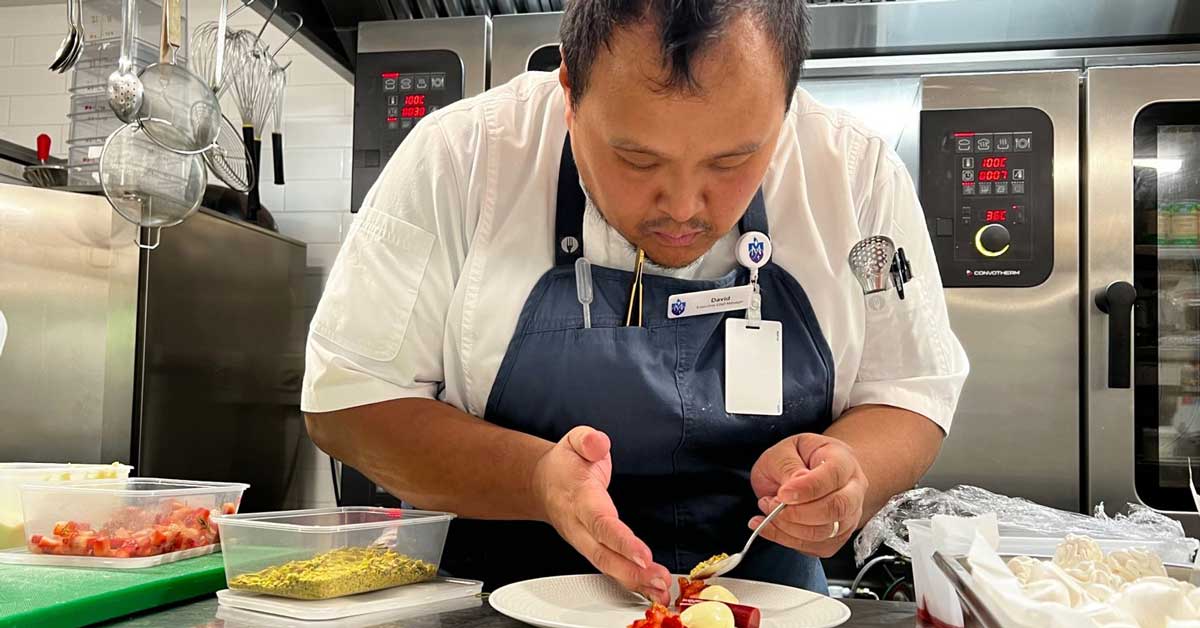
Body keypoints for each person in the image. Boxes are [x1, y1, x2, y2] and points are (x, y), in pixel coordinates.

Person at [302, 0, 968, 604]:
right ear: (569, 90)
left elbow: (909, 388)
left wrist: (848, 476)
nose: (682, 207)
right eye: (636, 160)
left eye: (732, 161)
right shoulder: (461, 157)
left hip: (764, 606)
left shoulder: (856, 177)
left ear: (787, 107)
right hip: (502, 601)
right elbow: (348, 401)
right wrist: (538, 481)